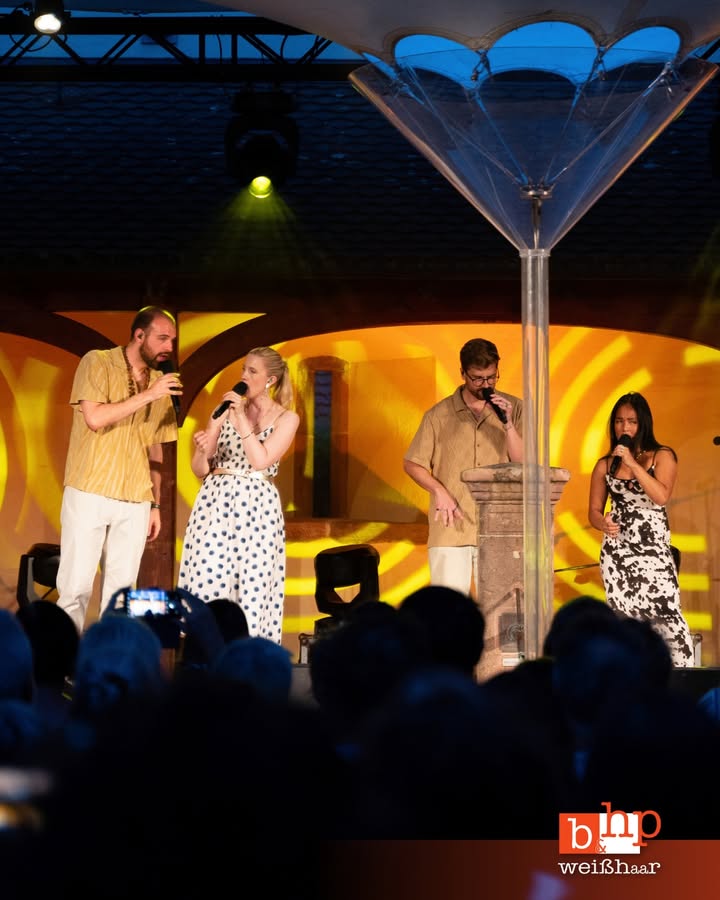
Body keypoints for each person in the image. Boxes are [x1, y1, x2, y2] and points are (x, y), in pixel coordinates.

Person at [55, 306, 181, 633]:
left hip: (135, 497)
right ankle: (64, 659)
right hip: (90, 489)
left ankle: (110, 657)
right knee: (75, 588)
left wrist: (155, 503)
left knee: (122, 595)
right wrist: (149, 395)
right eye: (162, 338)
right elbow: (95, 418)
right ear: (139, 335)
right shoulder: (97, 361)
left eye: (172, 340)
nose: (169, 346)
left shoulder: (160, 382)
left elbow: (156, 446)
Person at [178, 347, 299, 644]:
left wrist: (242, 420)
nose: (244, 376)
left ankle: (248, 660)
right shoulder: (223, 411)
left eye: (252, 371)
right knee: (208, 580)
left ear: (270, 380)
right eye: (244, 369)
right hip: (215, 504)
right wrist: (203, 448)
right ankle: (204, 656)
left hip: (257, 508)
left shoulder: (287, 419)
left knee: (252, 588)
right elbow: (200, 468)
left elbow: (260, 460)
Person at [402, 338, 523, 596]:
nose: (486, 385)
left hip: (499, 528)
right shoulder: (438, 415)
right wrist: (438, 491)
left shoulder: (515, 408)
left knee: (501, 610)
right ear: (463, 373)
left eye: (491, 377)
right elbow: (412, 463)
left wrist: (509, 424)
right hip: (451, 529)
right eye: (477, 379)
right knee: (449, 612)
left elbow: (524, 463)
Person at [588, 391, 693, 667]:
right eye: (619, 421)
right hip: (617, 554)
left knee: (667, 616)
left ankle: (681, 677)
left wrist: (633, 464)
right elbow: (594, 512)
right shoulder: (605, 465)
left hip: (654, 551)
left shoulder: (662, 455)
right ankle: (630, 677)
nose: (625, 427)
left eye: (632, 422)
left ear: (643, 423)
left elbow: (661, 496)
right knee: (624, 620)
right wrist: (603, 522)